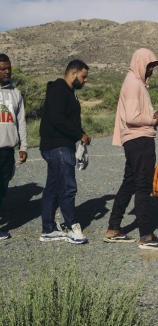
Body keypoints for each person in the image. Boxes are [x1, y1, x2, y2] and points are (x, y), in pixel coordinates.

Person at [104, 48, 158, 250]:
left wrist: (155, 118)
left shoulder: (135, 83)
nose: (151, 70)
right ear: (141, 64)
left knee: (130, 183)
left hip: (135, 140)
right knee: (143, 187)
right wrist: (154, 119)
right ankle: (146, 236)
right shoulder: (133, 84)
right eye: (149, 66)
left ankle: (113, 228)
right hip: (139, 140)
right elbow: (132, 117)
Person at [38, 59, 91, 244]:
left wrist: (81, 134)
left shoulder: (69, 92)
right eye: (83, 77)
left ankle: (48, 229)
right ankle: (71, 226)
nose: (85, 81)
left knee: (52, 188)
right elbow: (57, 119)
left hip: (59, 146)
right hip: (57, 146)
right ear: (73, 73)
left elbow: (68, 120)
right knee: (68, 187)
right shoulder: (59, 89)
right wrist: (79, 133)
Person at [0, 54, 27, 241]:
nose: (7, 72)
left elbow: (21, 121)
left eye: (8, 68)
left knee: (2, 188)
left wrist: (23, 146)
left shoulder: (15, 93)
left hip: (7, 150)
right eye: (2, 69)